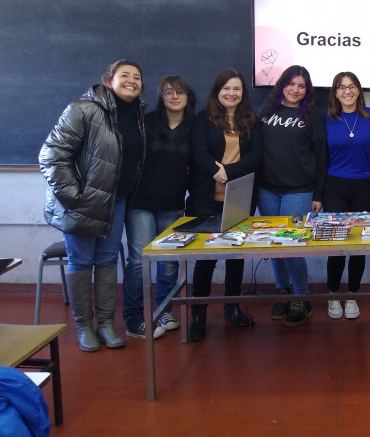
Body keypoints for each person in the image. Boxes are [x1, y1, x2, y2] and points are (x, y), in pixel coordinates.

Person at [39, 59, 146, 352]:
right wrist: (75, 197)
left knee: (108, 261)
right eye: (125, 75)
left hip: (116, 203)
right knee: (82, 262)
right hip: (82, 205)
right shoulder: (83, 109)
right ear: (109, 79)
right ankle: (84, 326)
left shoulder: (137, 114)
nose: (132, 81)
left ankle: (107, 324)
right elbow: (51, 155)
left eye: (137, 77)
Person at [187, 69, 262, 341]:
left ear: (243, 93)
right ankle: (199, 314)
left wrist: (230, 172)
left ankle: (232, 306)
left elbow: (256, 156)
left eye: (237, 89)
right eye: (227, 88)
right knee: (205, 260)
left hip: (239, 199)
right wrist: (217, 172)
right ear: (217, 91)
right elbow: (198, 153)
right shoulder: (203, 120)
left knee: (235, 256)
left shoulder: (251, 121)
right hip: (206, 198)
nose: (232, 93)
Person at [122, 75, 196, 338]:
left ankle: (165, 308)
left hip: (174, 204)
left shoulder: (195, 127)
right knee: (138, 262)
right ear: (161, 96)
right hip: (140, 202)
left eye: (180, 92)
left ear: (188, 96)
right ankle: (133, 318)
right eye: (168, 92)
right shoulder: (146, 122)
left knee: (169, 262)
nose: (175, 97)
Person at [257, 65, 326, 327]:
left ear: (307, 91)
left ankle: (301, 297)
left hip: (299, 190)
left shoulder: (312, 117)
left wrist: (318, 193)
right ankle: (282, 290)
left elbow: (322, 157)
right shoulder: (265, 112)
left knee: (292, 245)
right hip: (267, 189)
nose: (295, 90)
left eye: (301, 86)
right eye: (291, 84)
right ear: (282, 84)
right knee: (274, 243)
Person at [323, 72, 370, 320]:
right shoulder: (325, 118)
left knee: (359, 245)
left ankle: (352, 295)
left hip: (365, 187)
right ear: (335, 92)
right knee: (336, 245)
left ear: (359, 90)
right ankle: (333, 294)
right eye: (342, 87)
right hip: (334, 186)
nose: (347, 91)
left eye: (352, 86)